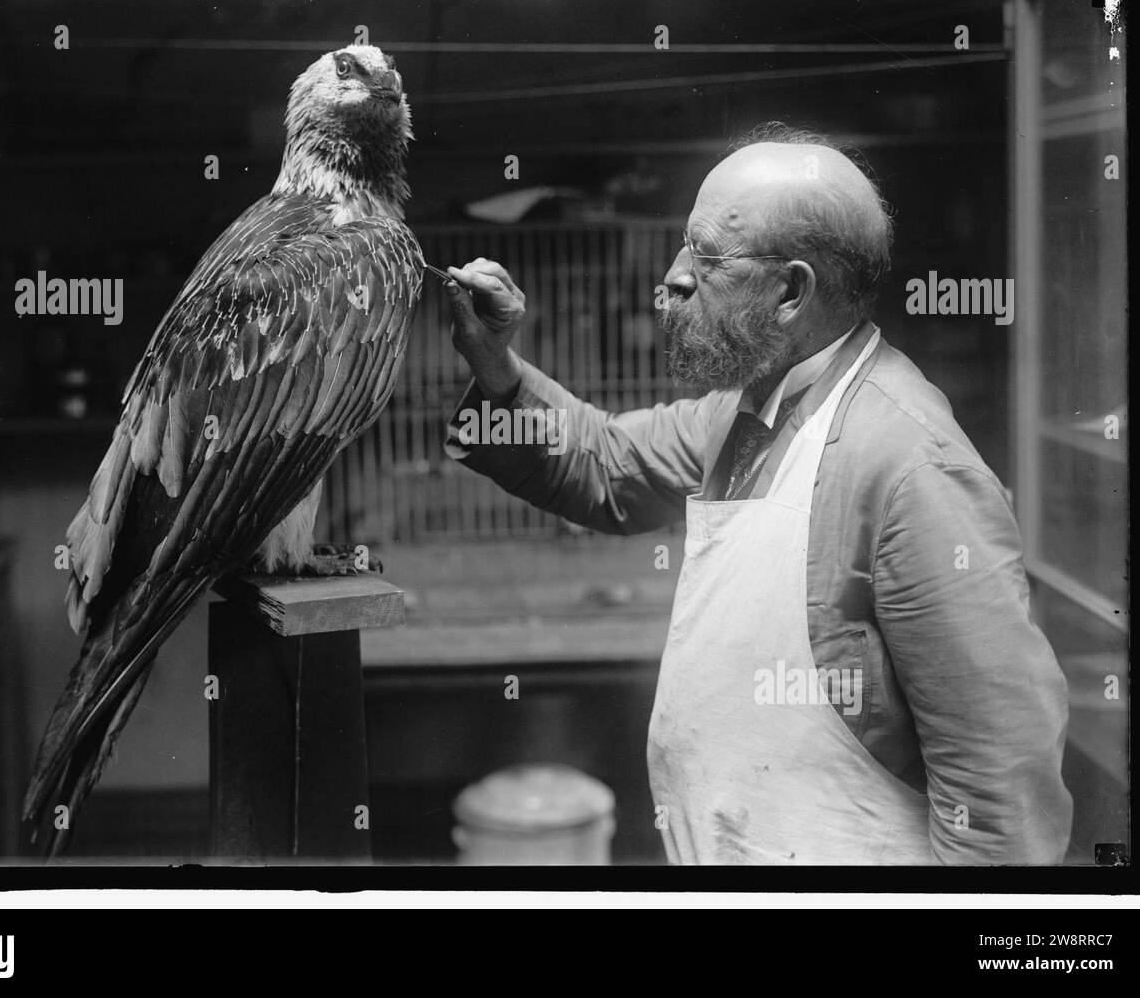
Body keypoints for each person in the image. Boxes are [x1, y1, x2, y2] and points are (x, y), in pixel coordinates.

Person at [440, 123, 1073, 865]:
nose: (671, 277)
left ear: (791, 291)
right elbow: (607, 461)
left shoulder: (914, 470)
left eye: (705, 257)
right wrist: (496, 367)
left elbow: (1002, 816)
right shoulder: (746, 406)